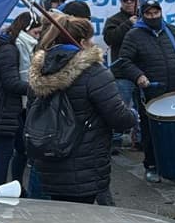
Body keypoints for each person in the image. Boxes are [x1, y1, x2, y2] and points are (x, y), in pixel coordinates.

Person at [27, 16, 136, 204]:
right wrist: (133, 115)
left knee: (58, 219)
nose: (93, 43)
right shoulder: (94, 72)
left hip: (48, 158)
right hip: (84, 163)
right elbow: (119, 118)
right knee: (83, 221)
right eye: (90, 38)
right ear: (82, 41)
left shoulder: (39, 70)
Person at [112, 0, 175, 183]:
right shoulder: (134, 35)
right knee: (151, 132)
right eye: (149, 14)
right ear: (143, 15)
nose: (153, 16)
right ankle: (151, 165)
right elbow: (124, 61)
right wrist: (138, 76)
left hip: (174, 90)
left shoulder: (171, 31)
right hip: (149, 93)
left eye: (156, 13)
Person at [0, 11, 40, 190]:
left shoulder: (17, 47)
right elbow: (11, 83)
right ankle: (1, 191)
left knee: (22, 149)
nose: (38, 37)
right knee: (4, 154)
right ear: (26, 29)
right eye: (36, 33)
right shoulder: (8, 50)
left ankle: (17, 188)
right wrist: (38, 88)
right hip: (1, 108)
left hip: (14, 109)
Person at [103, 0, 140, 150]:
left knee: (142, 108)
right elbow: (110, 39)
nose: (130, 2)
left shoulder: (144, 18)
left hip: (142, 71)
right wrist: (127, 24)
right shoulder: (114, 20)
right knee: (120, 108)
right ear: (121, 2)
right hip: (122, 72)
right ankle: (115, 140)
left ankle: (139, 140)